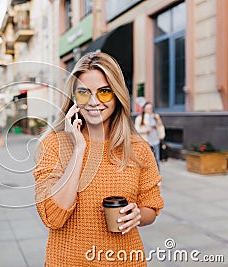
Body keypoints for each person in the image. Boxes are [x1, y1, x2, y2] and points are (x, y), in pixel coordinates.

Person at [33, 52, 164, 266]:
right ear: (74, 97)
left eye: (104, 92)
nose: (94, 102)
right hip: (68, 261)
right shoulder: (53, 145)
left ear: (117, 95)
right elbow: (52, 217)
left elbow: (151, 206)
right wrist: (79, 151)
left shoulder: (138, 148)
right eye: (84, 93)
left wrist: (137, 215)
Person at [134, 102, 165, 169]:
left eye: (150, 108)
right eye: (147, 108)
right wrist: (147, 129)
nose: (149, 110)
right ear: (144, 109)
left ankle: (157, 176)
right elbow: (136, 130)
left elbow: (160, 126)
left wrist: (158, 119)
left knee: (156, 159)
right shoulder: (140, 118)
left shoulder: (155, 116)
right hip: (146, 142)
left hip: (156, 141)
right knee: (148, 160)